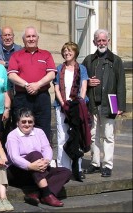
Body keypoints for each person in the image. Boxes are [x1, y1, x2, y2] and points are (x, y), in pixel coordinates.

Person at [5, 108, 72, 207]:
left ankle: (36, 193)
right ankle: (47, 194)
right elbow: (14, 157)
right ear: (17, 123)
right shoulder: (13, 136)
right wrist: (30, 166)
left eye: (30, 122)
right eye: (23, 122)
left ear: (33, 123)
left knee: (66, 172)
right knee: (35, 154)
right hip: (18, 172)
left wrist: (46, 161)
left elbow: (47, 148)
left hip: (38, 170)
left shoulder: (39, 132)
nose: (27, 124)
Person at [82, 29, 126, 177]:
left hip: (111, 102)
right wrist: (88, 82)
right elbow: (80, 79)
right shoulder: (88, 60)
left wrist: (121, 106)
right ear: (94, 42)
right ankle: (95, 163)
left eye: (103, 40)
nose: (101, 43)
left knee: (108, 135)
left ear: (108, 41)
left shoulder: (116, 60)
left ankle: (107, 165)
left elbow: (121, 84)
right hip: (93, 104)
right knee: (94, 135)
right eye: (98, 40)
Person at [7, 26, 57, 142]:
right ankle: (22, 157)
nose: (31, 39)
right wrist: (27, 85)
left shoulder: (46, 54)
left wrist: (37, 85)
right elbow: (11, 75)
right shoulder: (16, 55)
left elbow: (51, 74)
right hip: (22, 97)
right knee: (22, 127)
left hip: (42, 97)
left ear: (37, 38)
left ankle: (44, 157)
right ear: (24, 39)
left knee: (44, 127)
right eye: (28, 36)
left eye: (33, 36)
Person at [53, 41, 90, 182]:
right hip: (62, 106)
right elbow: (56, 88)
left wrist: (77, 102)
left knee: (77, 137)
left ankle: (78, 167)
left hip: (77, 107)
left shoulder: (82, 68)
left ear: (75, 53)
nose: (67, 53)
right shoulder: (59, 68)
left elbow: (83, 87)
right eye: (65, 51)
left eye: (70, 51)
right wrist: (63, 104)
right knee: (62, 136)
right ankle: (64, 169)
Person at [0, 26, 22, 143]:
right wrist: (11, 64)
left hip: (17, 88)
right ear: (1, 37)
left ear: (13, 36)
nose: (7, 37)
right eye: (5, 35)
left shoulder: (20, 49)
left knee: (16, 119)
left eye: (9, 35)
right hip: (1, 90)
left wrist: (5, 63)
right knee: (1, 122)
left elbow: (20, 65)